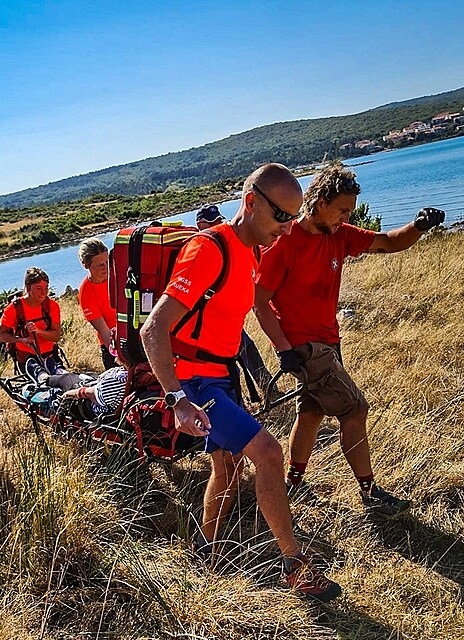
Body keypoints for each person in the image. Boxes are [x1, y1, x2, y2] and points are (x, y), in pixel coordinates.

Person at [141, 164, 341, 602]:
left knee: (227, 469)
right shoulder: (209, 249)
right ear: (250, 202)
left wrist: (289, 349)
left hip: (219, 376)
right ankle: (296, 568)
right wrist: (177, 399)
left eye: (294, 217)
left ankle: (204, 548)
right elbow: (153, 330)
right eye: (281, 217)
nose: (287, 229)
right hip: (194, 380)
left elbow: (254, 305)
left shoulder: (251, 251)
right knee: (268, 453)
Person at [253, 162, 445, 518]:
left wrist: (418, 226)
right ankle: (370, 492)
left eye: (349, 211)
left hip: (328, 342)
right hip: (306, 349)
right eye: (341, 209)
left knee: (311, 413)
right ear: (321, 201)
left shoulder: (337, 234)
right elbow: (259, 302)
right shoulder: (285, 242)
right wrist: (284, 351)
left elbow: (388, 243)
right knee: (355, 409)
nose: (345, 217)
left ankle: (293, 483)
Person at [196, 204, 273, 391]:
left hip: (226, 318)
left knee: (247, 349)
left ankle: (268, 388)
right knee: (224, 364)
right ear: (200, 225)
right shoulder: (197, 249)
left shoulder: (224, 246)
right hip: (206, 324)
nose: (217, 225)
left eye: (219, 221)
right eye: (211, 223)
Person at [0, 267, 67, 385]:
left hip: (50, 356)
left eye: (46, 288)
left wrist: (38, 331)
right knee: (44, 385)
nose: (43, 293)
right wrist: (22, 340)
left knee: (65, 380)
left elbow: (55, 337)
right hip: (26, 360)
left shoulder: (52, 306)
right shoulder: (14, 309)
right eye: (39, 288)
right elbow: (1, 335)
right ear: (28, 288)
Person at [78, 238, 118, 370]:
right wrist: (118, 355)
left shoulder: (118, 275)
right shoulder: (86, 293)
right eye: (100, 265)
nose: (106, 268)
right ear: (86, 265)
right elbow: (104, 331)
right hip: (112, 346)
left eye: (107, 262)